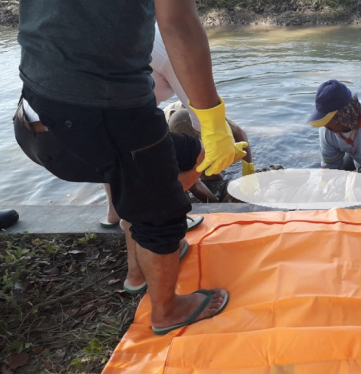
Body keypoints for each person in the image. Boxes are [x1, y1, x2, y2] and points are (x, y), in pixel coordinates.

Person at [16, 0, 243, 334]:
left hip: (34, 119)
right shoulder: (162, 47)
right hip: (103, 111)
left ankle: (137, 276)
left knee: (150, 168)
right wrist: (214, 122)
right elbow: (178, 25)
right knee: (161, 212)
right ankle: (167, 310)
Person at [100, 26, 256, 227]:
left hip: (100, 121)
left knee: (115, 150)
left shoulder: (132, 37)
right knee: (191, 162)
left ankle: (116, 212)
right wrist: (219, 209)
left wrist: (248, 173)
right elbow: (193, 175)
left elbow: (238, 133)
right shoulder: (172, 48)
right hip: (146, 116)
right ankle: (141, 214)